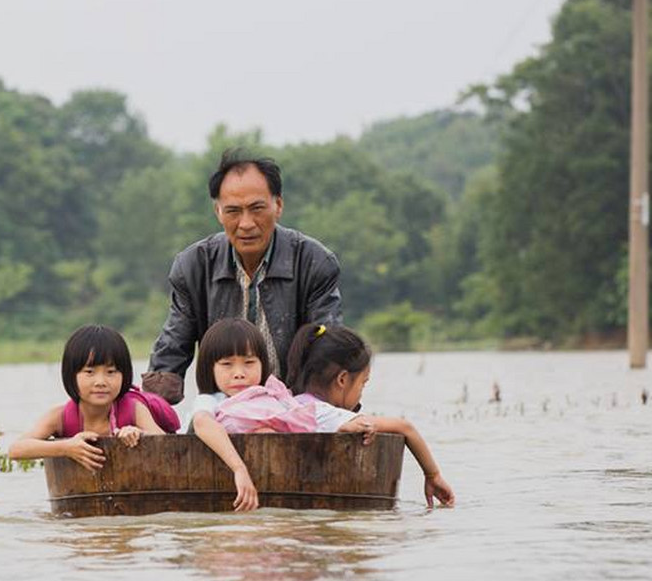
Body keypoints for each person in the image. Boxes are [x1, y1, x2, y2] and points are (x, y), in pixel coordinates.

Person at [142, 148, 343, 405]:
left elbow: (329, 352)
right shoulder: (193, 266)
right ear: (218, 212)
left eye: (257, 208)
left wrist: (326, 416)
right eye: (233, 211)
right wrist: (150, 415)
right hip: (221, 411)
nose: (246, 223)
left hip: (294, 409)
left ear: (278, 205)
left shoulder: (314, 262)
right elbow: (171, 351)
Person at [286, 322, 456, 508]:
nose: (361, 392)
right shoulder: (325, 414)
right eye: (363, 383)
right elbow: (405, 428)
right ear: (342, 380)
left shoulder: (291, 402)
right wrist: (433, 475)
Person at [9, 325, 178, 472]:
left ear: (124, 375)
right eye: (89, 372)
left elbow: (166, 445)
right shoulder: (60, 416)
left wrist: (140, 434)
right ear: (71, 375)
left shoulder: (133, 409)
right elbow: (16, 450)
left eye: (111, 372)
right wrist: (65, 447)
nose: (101, 382)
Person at [184, 319, 274, 511]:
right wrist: (239, 469)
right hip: (210, 484)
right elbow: (202, 422)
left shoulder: (272, 400)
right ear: (210, 369)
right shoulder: (210, 401)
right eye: (227, 364)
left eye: (249, 362)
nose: (239, 373)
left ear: (263, 364)